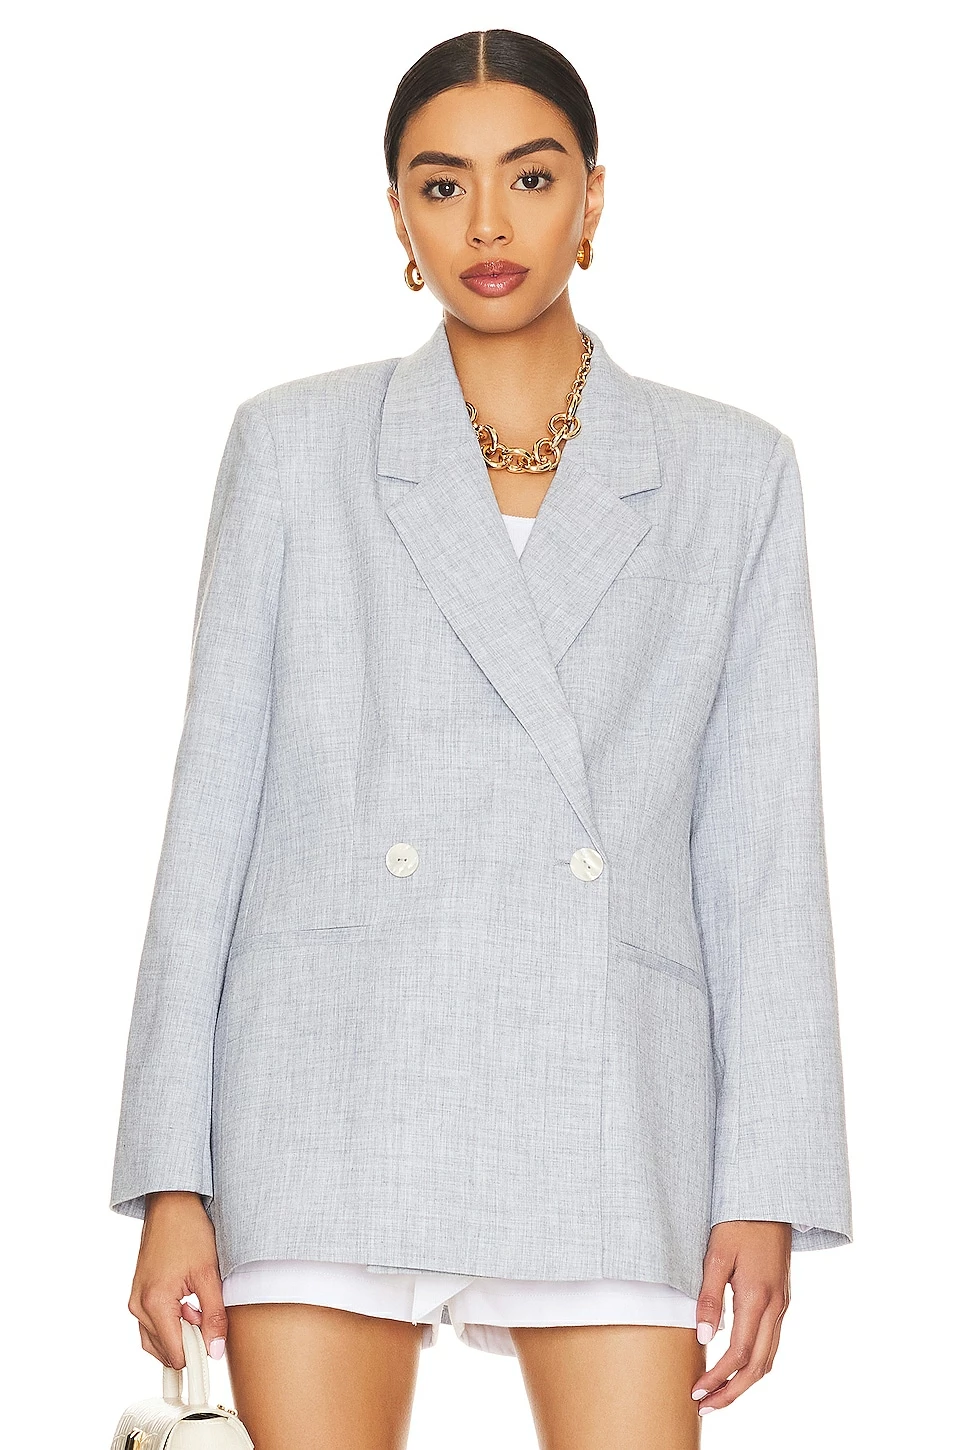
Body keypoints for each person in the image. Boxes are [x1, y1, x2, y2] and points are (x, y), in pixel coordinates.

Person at [110, 28, 853, 1450]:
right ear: (398, 214)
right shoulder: (294, 446)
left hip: (606, 1081)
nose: (489, 225)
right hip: (326, 1076)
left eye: (532, 176)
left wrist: (765, 1177)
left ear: (594, 196)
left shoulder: (733, 473)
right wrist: (172, 1177)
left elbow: (765, 849)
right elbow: (208, 823)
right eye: (442, 186)